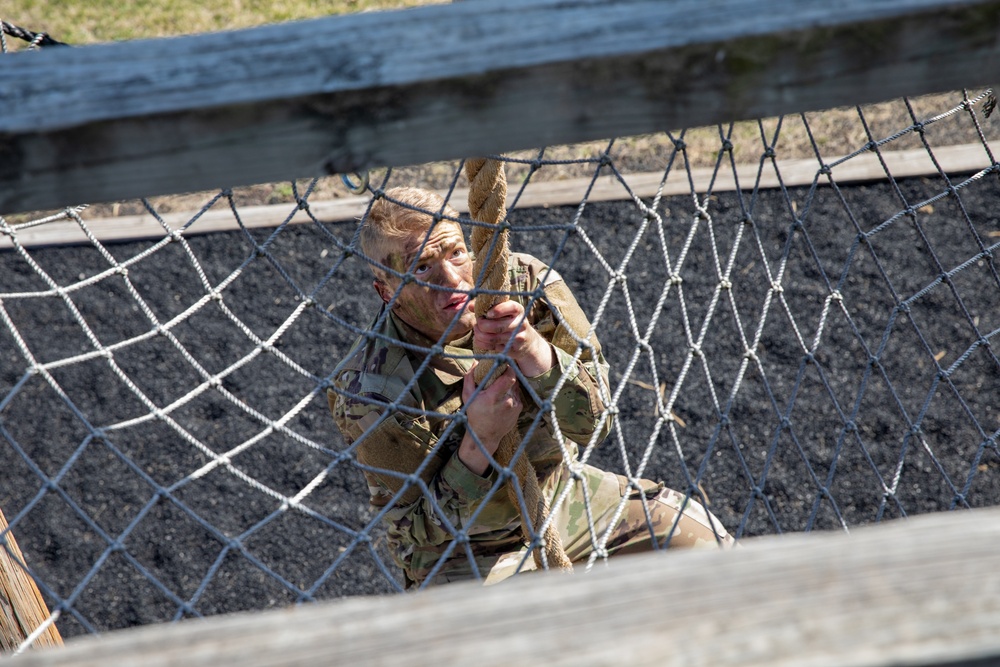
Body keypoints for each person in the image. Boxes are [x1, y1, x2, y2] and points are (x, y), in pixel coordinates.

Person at [329, 186, 733, 589]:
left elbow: (597, 422)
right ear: (387, 292)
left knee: (713, 554)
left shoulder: (525, 286)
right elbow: (419, 527)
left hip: (562, 494)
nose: (452, 281)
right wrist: (481, 440)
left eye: (455, 253)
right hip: (466, 551)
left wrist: (533, 351)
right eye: (421, 268)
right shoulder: (371, 389)